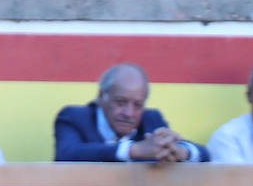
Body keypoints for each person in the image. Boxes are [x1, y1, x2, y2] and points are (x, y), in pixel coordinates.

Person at [54, 63, 208, 163]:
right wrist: (133, 150)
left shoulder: (151, 119)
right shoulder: (72, 117)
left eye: (138, 105)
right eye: (121, 102)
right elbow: (67, 155)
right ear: (101, 96)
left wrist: (182, 151)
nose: (129, 113)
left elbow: (205, 155)